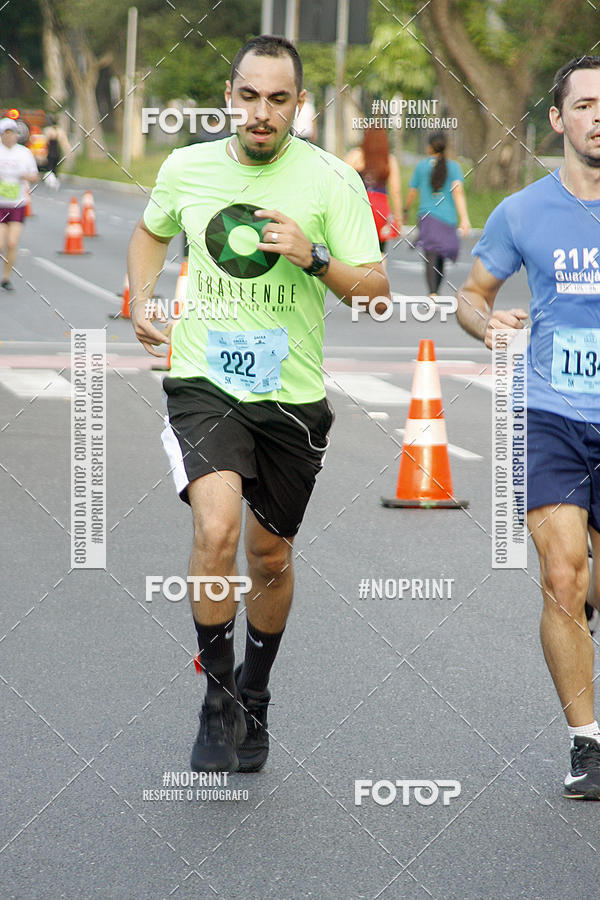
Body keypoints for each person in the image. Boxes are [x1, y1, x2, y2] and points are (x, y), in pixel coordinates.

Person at [128, 35, 389, 773]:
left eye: (279, 99)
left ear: (299, 106)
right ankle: (215, 700)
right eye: (250, 96)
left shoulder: (333, 181)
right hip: (205, 381)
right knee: (216, 530)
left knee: (269, 553)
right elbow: (151, 233)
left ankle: (255, 693)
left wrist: (314, 255)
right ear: (229, 97)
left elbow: (375, 293)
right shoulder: (186, 167)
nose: (262, 112)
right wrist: (142, 297)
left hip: (291, 396)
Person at [456, 56, 600, 800]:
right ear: (559, 119)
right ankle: (588, 744)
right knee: (561, 576)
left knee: (590, 586)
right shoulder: (521, 212)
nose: (598, 116)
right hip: (551, 414)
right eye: (586, 104)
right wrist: (489, 323)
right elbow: (471, 296)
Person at [405, 133, 470, 297]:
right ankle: (435, 292)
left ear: (429, 147)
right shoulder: (454, 166)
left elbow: (412, 191)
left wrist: (406, 209)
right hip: (447, 218)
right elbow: (458, 192)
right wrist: (464, 218)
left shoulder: (421, 166)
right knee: (440, 254)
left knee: (430, 254)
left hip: (427, 217)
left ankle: (433, 293)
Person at [345, 124, 402, 257]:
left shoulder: (356, 155)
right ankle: (380, 275)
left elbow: (340, 180)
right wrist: (398, 218)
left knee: (356, 248)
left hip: (359, 204)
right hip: (380, 207)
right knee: (380, 252)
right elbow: (396, 190)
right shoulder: (389, 159)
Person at [0, 118, 39, 290]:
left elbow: (34, 176)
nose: (9, 137)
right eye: (6, 133)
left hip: (17, 204)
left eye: (12, 133)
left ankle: (6, 277)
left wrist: (23, 175)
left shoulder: (24, 153)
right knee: (0, 244)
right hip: (1, 205)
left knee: (12, 243)